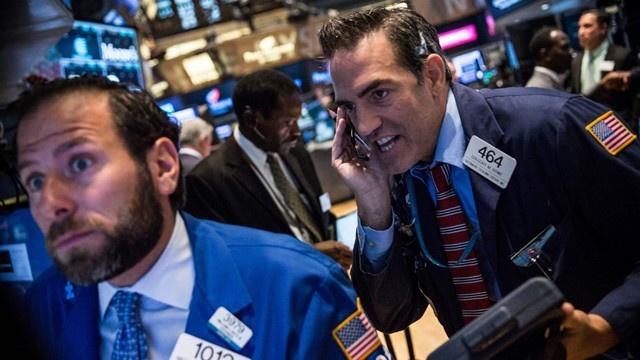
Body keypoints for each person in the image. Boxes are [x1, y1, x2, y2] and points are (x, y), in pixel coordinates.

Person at [318, 6, 640, 359]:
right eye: (348, 107)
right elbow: (392, 314)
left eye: (379, 94)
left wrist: (607, 326)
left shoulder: (552, 127)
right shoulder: (393, 174)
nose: (363, 127)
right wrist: (373, 205)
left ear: (432, 75)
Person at [13, 76, 388, 359]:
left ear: (162, 166)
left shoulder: (301, 289)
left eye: (79, 163)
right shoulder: (41, 306)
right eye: (34, 179)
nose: (49, 202)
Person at [185, 69, 353, 270]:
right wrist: (306, 256)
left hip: (332, 277)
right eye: (287, 122)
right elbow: (226, 259)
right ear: (251, 120)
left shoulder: (296, 152)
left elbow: (320, 211)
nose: (296, 132)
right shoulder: (207, 181)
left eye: (297, 120)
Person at [570, 8, 637, 119]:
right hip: (586, 121)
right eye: (579, 27)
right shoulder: (576, 60)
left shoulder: (622, 55)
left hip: (616, 121)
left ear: (603, 28)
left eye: (587, 26)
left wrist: (633, 123)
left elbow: (634, 95)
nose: (581, 32)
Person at [525, 26, 573, 90]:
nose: (571, 52)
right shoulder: (539, 89)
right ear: (545, 54)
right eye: (564, 48)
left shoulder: (553, 81)